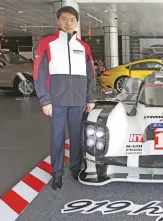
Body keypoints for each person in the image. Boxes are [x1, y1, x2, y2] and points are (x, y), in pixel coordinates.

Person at [33, 6, 96, 190]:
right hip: (57, 102)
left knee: (76, 137)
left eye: (72, 20)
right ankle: (57, 173)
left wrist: (90, 98)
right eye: (64, 19)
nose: (68, 23)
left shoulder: (84, 47)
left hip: (78, 101)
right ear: (58, 20)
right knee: (57, 138)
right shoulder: (47, 43)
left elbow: (90, 74)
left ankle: (76, 169)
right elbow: (39, 72)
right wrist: (45, 100)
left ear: (77, 23)